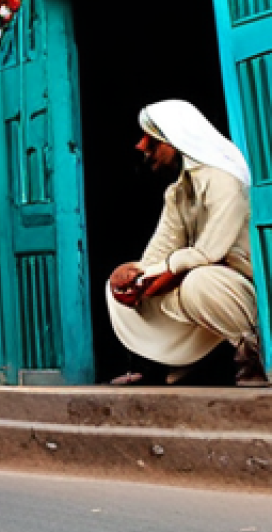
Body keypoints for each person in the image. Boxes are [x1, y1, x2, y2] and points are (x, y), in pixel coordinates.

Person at [107, 100, 265, 386]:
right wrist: (133, 273)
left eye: (152, 140)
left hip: (248, 289)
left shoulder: (224, 179)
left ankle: (256, 353)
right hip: (207, 282)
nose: (142, 147)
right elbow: (161, 250)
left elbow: (209, 252)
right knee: (118, 287)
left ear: (176, 138)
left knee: (198, 282)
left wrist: (165, 273)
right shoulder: (177, 192)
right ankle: (172, 363)